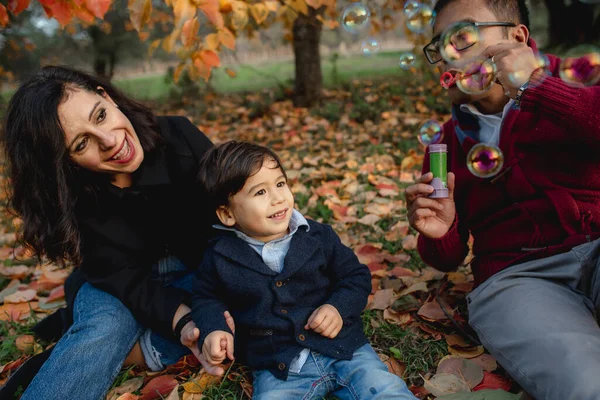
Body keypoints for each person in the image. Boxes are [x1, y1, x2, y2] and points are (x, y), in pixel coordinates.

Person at [0, 65, 232, 399]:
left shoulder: (179, 136)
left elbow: (234, 215)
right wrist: (181, 320)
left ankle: (137, 350)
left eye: (100, 115)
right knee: (104, 329)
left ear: (106, 96)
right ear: (66, 165)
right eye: (82, 144)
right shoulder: (72, 202)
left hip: (199, 272)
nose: (110, 141)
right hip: (117, 288)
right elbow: (125, 282)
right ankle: (95, 354)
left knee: (246, 299)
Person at [406, 0, 600, 399]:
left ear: (516, 37)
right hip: (518, 278)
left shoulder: (576, 82)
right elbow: (446, 257)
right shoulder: (444, 142)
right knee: (583, 381)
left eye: (461, 37)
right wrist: (440, 230)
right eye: (439, 45)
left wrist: (536, 86)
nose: (448, 55)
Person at [189, 140, 416, 399]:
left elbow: (355, 276)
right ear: (228, 214)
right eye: (260, 192)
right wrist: (215, 327)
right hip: (278, 365)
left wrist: (338, 308)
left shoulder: (317, 237)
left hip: (344, 348)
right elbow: (206, 297)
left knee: (384, 388)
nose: (277, 198)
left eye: (280, 184)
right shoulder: (220, 255)